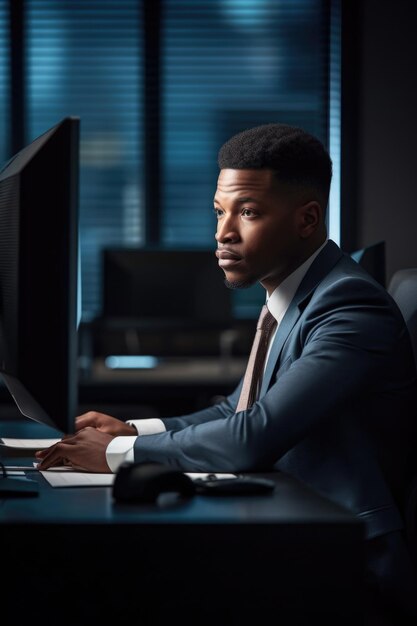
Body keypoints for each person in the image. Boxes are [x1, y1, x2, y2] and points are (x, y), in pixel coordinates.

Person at [36, 123, 417, 624]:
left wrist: (116, 455)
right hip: (294, 526)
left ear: (308, 220)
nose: (222, 232)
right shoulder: (290, 298)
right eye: (220, 211)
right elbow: (236, 409)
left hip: (348, 560)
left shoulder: (348, 306)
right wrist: (134, 430)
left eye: (249, 212)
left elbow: (251, 436)